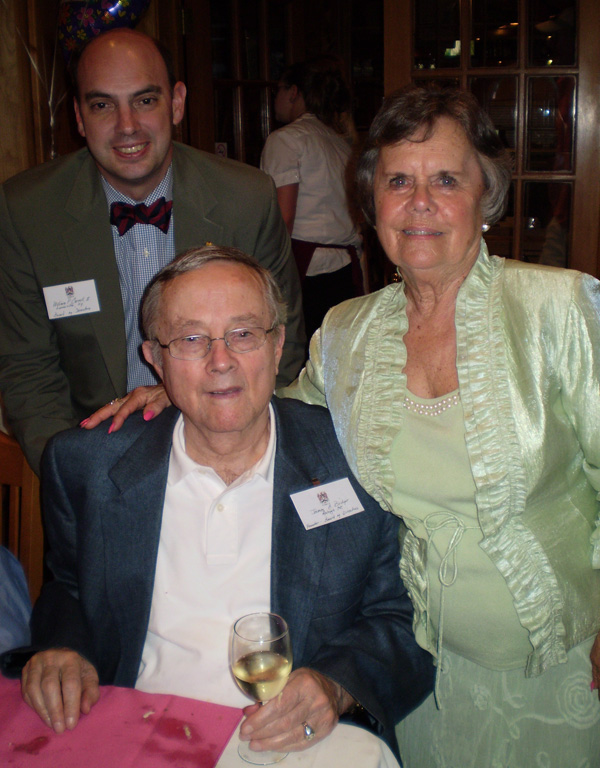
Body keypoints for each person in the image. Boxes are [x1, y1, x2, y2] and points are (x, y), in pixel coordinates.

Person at [2, 246, 433, 759]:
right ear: (155, 359)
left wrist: (335, 686)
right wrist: (62, 648)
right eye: (190, 339)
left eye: (244, 333)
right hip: (139, 723)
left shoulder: (356, 458)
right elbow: (70, 588)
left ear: (277, 347)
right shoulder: (87, 466)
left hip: (292, 736)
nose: (221, 360)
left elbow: (402, 618)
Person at [278, 85, 600, 765]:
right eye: (398, 180)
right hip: (415, 672)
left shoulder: (559, 308)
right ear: (373, 205)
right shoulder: (347, 332)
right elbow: (277, 421)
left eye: (446, 179)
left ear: (487, 197)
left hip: (558, 667)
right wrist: (177, 401)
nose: (419, 201)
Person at [0, 27, 305, 476]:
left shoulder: (246, 198)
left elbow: (285, 343)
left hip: (223, 442)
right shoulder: (27, 211)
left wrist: (197, 411)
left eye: (145, 100)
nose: (127, 126)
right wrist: (79, 477)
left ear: (176, 103)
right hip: (93, 451)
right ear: (80, 118)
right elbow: (29, 371)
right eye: (103, 105)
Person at [261, 60, 362, 342]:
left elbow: (283, 218)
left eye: (278, 90)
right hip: (343, 269)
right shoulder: (339, 142)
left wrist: (266, 275)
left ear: (293, 92)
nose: (275, 98)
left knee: (300, 361)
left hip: (306, 273)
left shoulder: (286, 140)